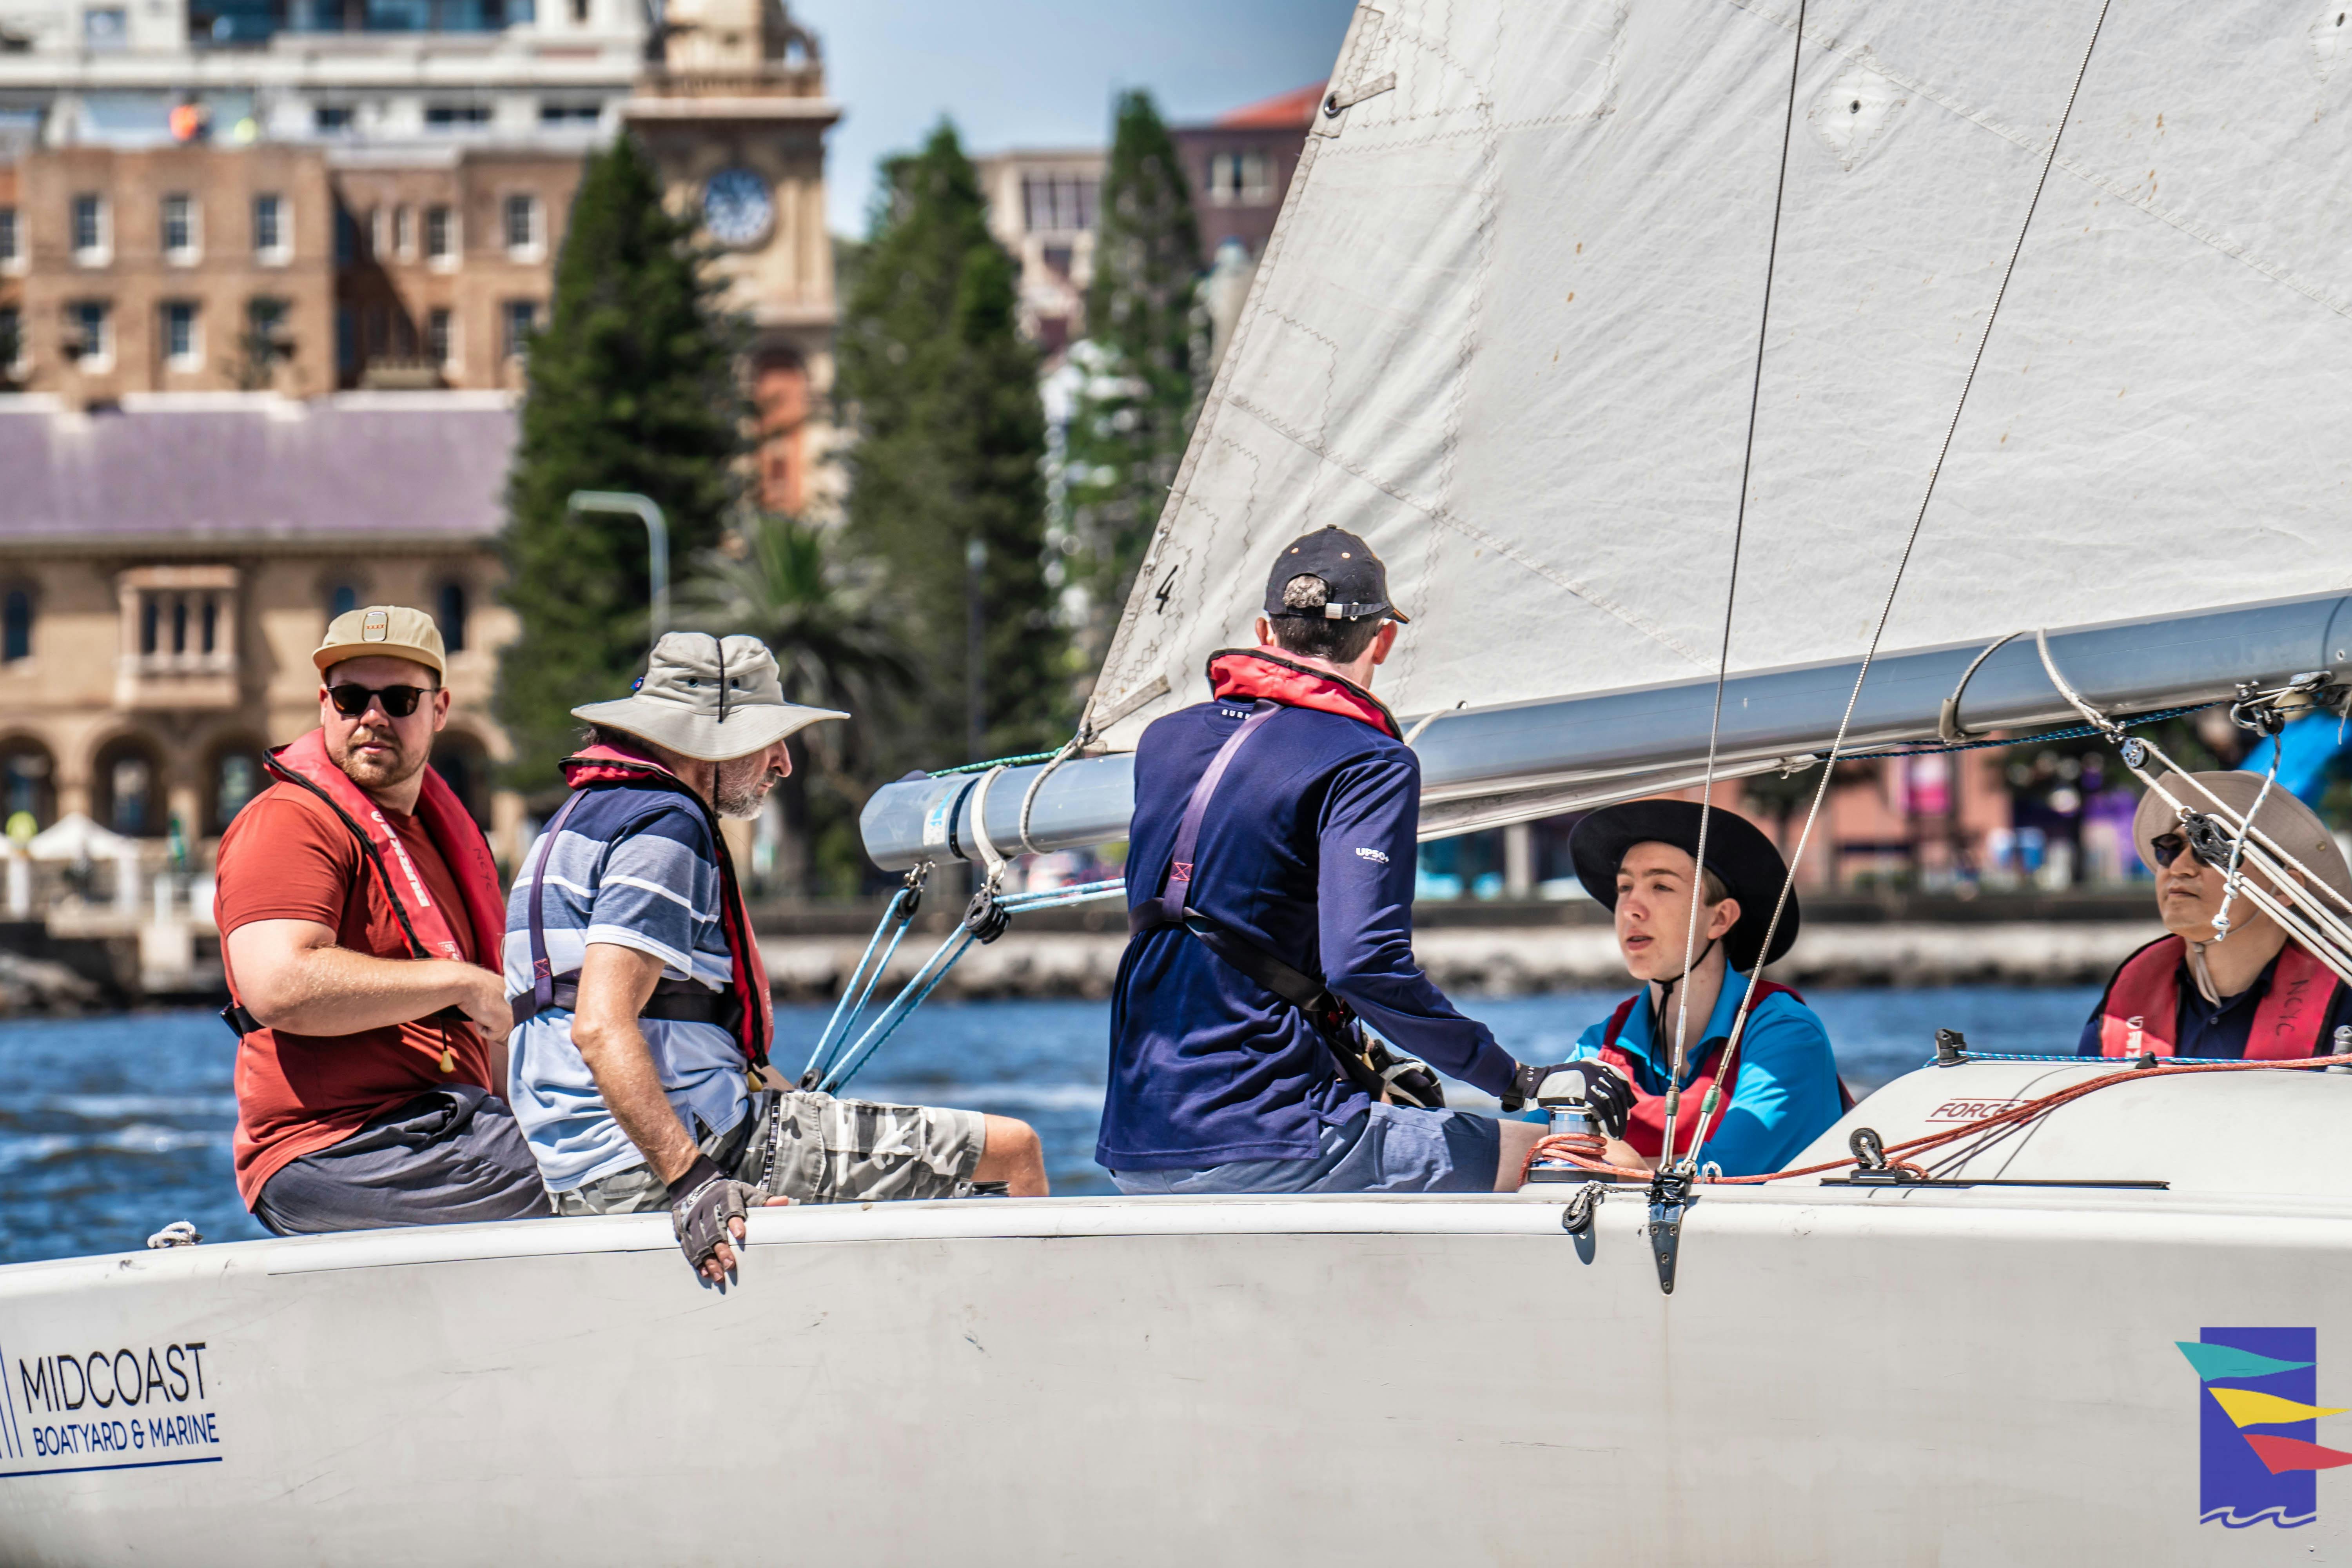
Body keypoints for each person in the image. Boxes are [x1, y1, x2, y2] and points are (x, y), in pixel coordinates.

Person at [506, 633, 1049, 1281]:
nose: (784, 762)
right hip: (665, 1159)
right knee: (1014, 1152)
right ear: (706, 741)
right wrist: (693, 1182)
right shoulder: (665, 828)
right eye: (768, 737)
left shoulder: (572, 823)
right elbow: (599, 1025)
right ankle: (1030, 1365)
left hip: (579, 1168)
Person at [1099, 527, 1613, 1196]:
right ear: (1383, 640)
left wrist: (1361, 1065)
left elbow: (1234, 937)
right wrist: (1511, 1079)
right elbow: (1363, 963)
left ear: (1264, 631)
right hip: (1273, 1140)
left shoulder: (1161, 742)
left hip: (1134, 1147)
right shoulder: (1370, 762)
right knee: (1563, 1157)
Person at [217, 605, 547, 1234]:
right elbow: (278, 986)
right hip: (338, 1147)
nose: (373, 716)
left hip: (449, 1125)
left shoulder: (444, 841)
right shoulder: (288, 822)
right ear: (323, 705)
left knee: (617, 1155)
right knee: (595, 1178)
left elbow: (499, 1036)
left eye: (398, 698)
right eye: (350, 698)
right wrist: (461, 982)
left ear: (440, 710)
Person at [1549, 799, 1846, 1178]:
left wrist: (1609, 1163)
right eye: (1625, 886)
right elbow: (1540, 1155)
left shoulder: (1788, 1036)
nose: (1630, 908)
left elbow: (1725, 1176)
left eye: (1660, 886)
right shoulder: (1597, 1047)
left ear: (1720, 918)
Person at [2077, 771, 2352, 1059]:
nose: (2179, 867)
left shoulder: (2344, 1002)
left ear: (2286, 888)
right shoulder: (2121, 1006)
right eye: (2168, 849)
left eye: (2209, 848)